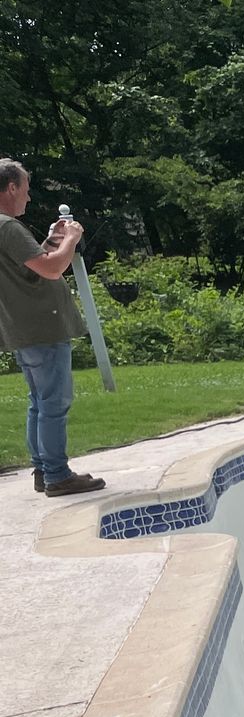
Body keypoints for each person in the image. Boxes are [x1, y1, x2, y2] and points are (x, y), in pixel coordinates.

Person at [0, 158, 105, 496]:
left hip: (24, 329)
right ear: (11, 188)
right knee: (53, 403)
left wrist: (50, 240)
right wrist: (71, 239)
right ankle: (58, 475)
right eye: (26, 189)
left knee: (39, 401)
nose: (29, 197)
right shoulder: (7, 227)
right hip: (42, 328)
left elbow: (30, 268)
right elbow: (50, 269)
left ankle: (43, 471)